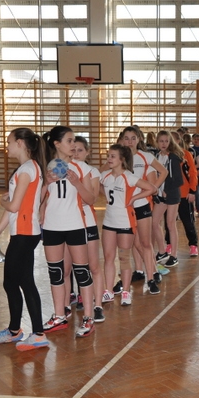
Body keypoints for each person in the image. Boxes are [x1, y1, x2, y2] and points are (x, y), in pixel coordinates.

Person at [0, 129, 49, 350]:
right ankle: (18, 331)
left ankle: (32, 333)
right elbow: (14, 209)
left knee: (17, 282)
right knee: (18, 282)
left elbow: (12, 206)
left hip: (24, 234)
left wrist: (2, 200)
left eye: (9, 141)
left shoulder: (27, 169)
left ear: (20, 143)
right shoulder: (28, 168)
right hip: (23, 233)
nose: (7, 146)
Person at [40, 126, 98, 337]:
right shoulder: (45, 167)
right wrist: (46, 183)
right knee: (55, 272)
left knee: (82, 271)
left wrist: (77, 182)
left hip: (75, 225)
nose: (73, 145)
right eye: (69, 141)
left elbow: (91, 199)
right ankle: (59, 316)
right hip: (52, 226)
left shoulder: (80, 167)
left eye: (74, 141)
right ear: (57, 144)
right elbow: (37, 200)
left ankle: (88, 317)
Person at [101, 144, 157, 306]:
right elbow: (97, 185)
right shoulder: (104, 176)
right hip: (108, 222)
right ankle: (108, 291)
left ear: (122, 159)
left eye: (112, 156)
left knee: (124, 258)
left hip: (125, 222)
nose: (109, 159)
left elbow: (152, 188)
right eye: (108, 155)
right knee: (108, 257)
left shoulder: (129, 177)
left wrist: (133, 198)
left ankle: (126, 291)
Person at [119, 126, 167, 295]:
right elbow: (103, 174)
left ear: (139, 139)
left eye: (133, 138)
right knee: (133, 242)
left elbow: (164, 171)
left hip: (141, 205)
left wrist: (154, 188)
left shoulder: (145, 156)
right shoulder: (119, 157)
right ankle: (140, 271)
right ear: (122, 140)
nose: (130, 141)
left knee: (145, 243)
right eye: (126, 138)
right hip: (125, 208)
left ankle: (151, 277)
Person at [69, 136, 106, 323]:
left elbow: (91, 197)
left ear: (87, 152)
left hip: (87, 222)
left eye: (80, 150)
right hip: (69, 223)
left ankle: (97, 305)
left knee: (94, 266)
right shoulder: (64, 170)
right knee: (73, 265)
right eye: (73, 150)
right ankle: (74, 300)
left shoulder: (92, 171)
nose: (76, 154)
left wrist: (77, 185)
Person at [153, 130, 184, 267]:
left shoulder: (173, 157)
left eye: (166, 141)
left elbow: (178, 180)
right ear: (157, 142)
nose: (164, 144)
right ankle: (162, 251)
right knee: (154, 223)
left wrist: (167, 190)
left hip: (172, 194)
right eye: (161, 141)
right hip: (160, 194)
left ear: (170, 142)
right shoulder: (156, 156)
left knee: (170, 224)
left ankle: (174, 255)